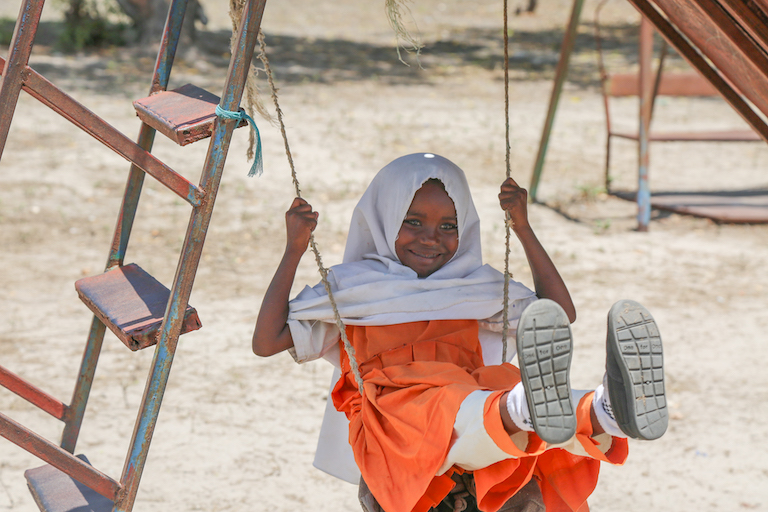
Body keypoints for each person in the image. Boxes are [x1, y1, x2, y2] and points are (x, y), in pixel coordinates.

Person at [252, 153, 667, 512]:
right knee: (454, 403)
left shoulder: (470, 283)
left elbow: (558, 312)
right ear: (383, 218)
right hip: (393, 408)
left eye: (449, 225)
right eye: (412, 221)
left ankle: (602, 410)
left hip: (469, 390)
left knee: (505, 381)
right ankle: (526, 410)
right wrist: (295, 249)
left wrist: (522, 227)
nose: (431, 238)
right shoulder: (351, 287)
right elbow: (267, 342)